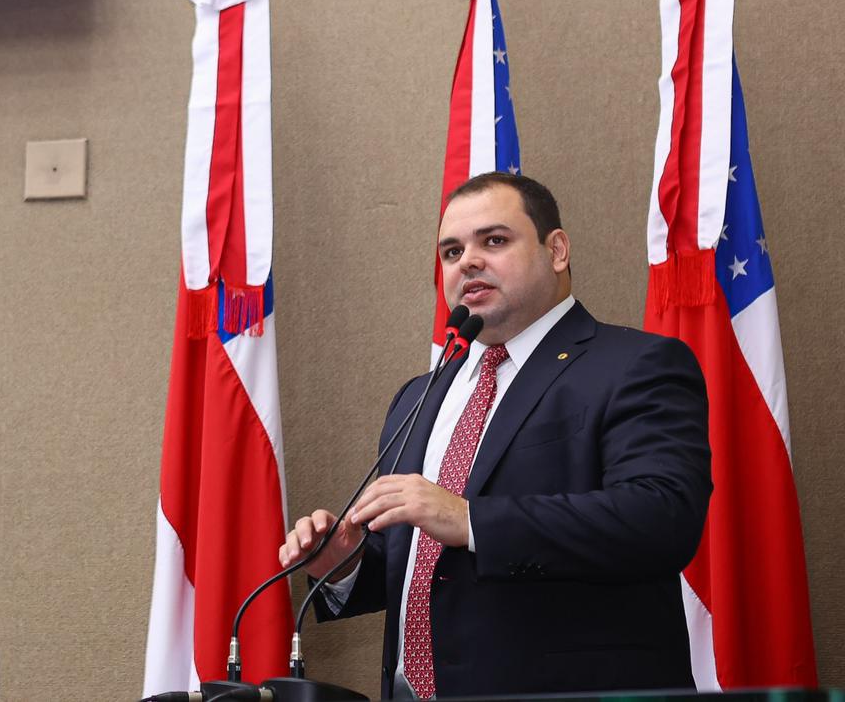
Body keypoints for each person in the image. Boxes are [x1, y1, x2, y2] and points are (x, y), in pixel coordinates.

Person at [280, 172, 711, 700]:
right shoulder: (418, 396)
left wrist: (470, 520)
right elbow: (427, 570)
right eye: (452, 251)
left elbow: (662, 518)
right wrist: (345, 566)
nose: (468, 262)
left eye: (494, 240)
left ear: (557, 250)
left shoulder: (635, 365)